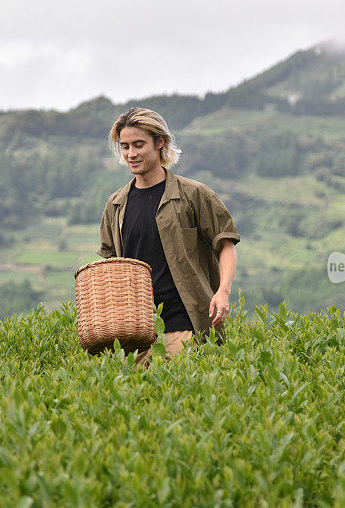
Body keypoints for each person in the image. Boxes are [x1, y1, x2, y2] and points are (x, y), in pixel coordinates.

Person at [98, 107, 240, 366]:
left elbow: (226, 243)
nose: (131, 154)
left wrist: (223, 292)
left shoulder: (195, 194)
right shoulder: (116, 204)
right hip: (135, 333)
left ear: (159, 142)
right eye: (125, 146)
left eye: (139, 145)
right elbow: (110, 266)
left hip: (185, 325)